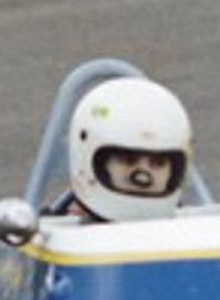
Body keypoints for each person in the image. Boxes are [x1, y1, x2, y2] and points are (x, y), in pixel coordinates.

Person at [65, 77, 192, 221]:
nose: (143, 177)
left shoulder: (196, 235)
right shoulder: (53, 238)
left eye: (158, 163)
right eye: (128, 160)